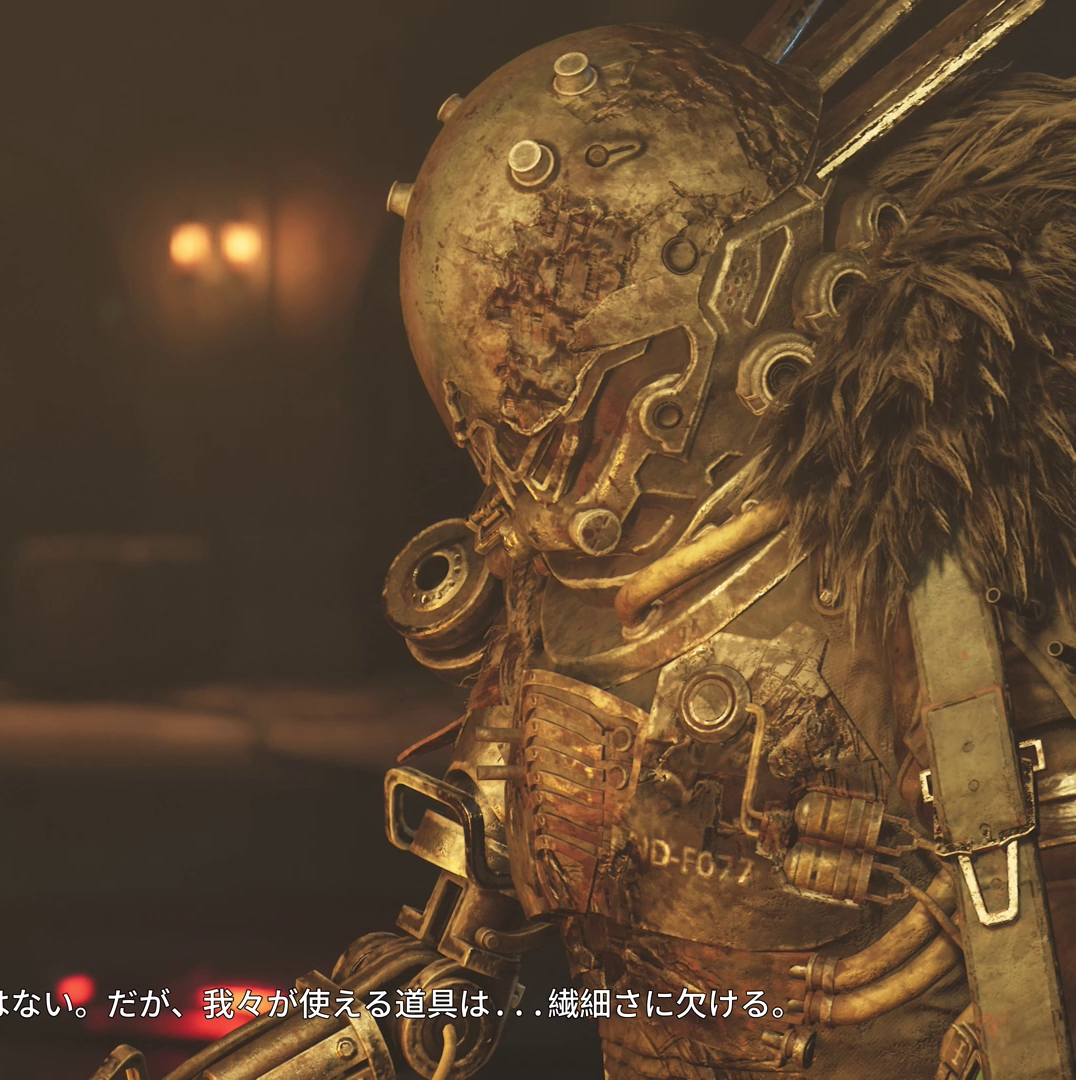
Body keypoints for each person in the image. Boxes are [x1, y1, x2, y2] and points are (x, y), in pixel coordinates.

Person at [89, 2, 1076, 1077]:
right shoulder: (558, 608)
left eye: (574, 389)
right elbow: (436, 978)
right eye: (518, 408)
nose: (543, 452)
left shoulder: (945, 559)